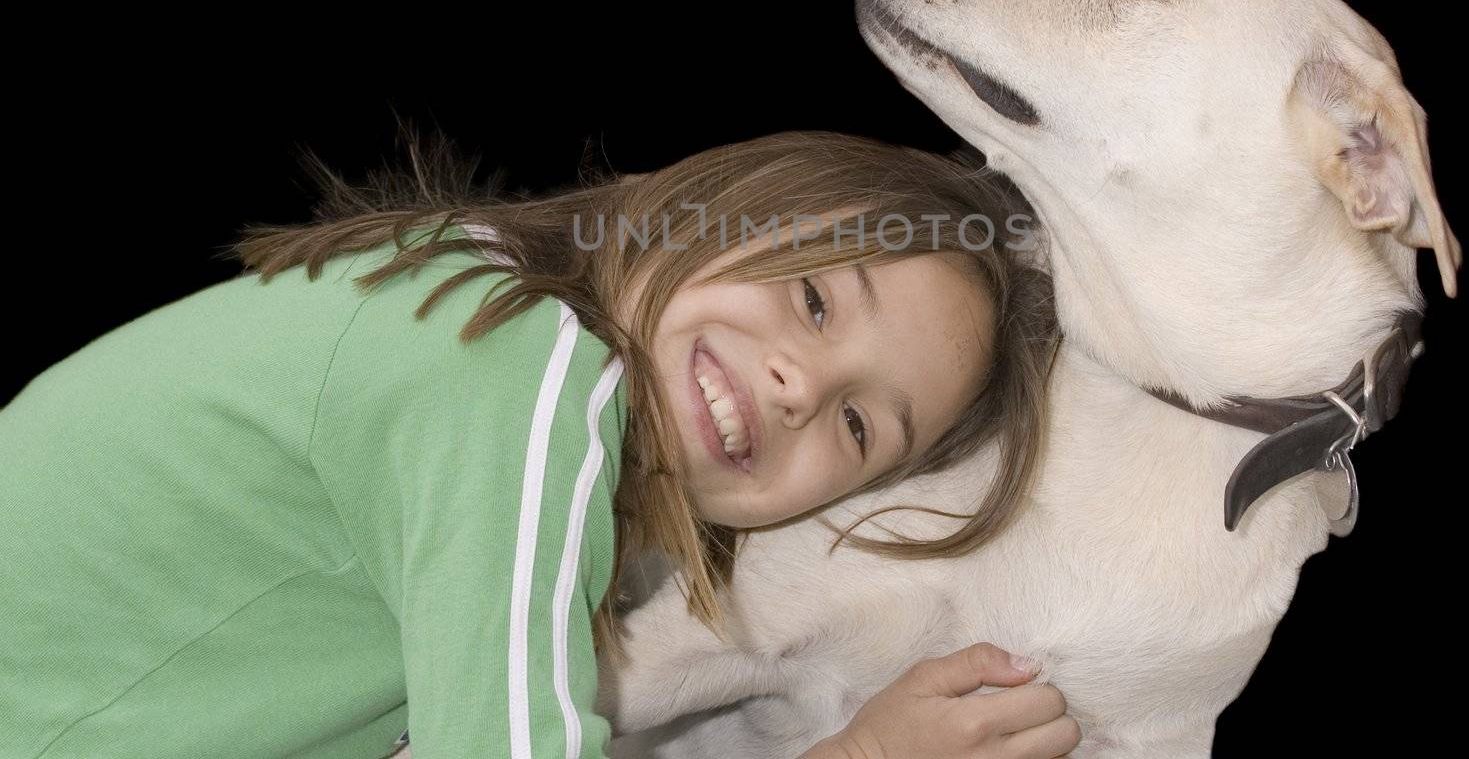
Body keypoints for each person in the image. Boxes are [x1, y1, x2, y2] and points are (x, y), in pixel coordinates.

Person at [0, 125, 1079, 759]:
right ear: (717, 202)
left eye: (858, 424)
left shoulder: (468, 292)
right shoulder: (514, 372)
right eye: (810, 297)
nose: (803, 384)